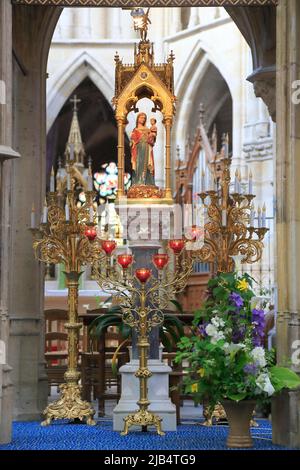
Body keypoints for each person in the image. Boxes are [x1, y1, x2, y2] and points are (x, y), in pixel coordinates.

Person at [130, 112, 156, 186]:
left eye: (144, 118)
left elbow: (152, 141)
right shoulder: (135, 130)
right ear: (138, 118)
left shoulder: (148, 129)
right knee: (139, 165)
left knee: (148, 165)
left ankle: (148, 183)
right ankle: (138, 182)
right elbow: (132, 142)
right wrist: (133, 142)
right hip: (139, 150)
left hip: (147, 149)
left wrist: (152, 136)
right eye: (141, 117)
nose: (143, 119)